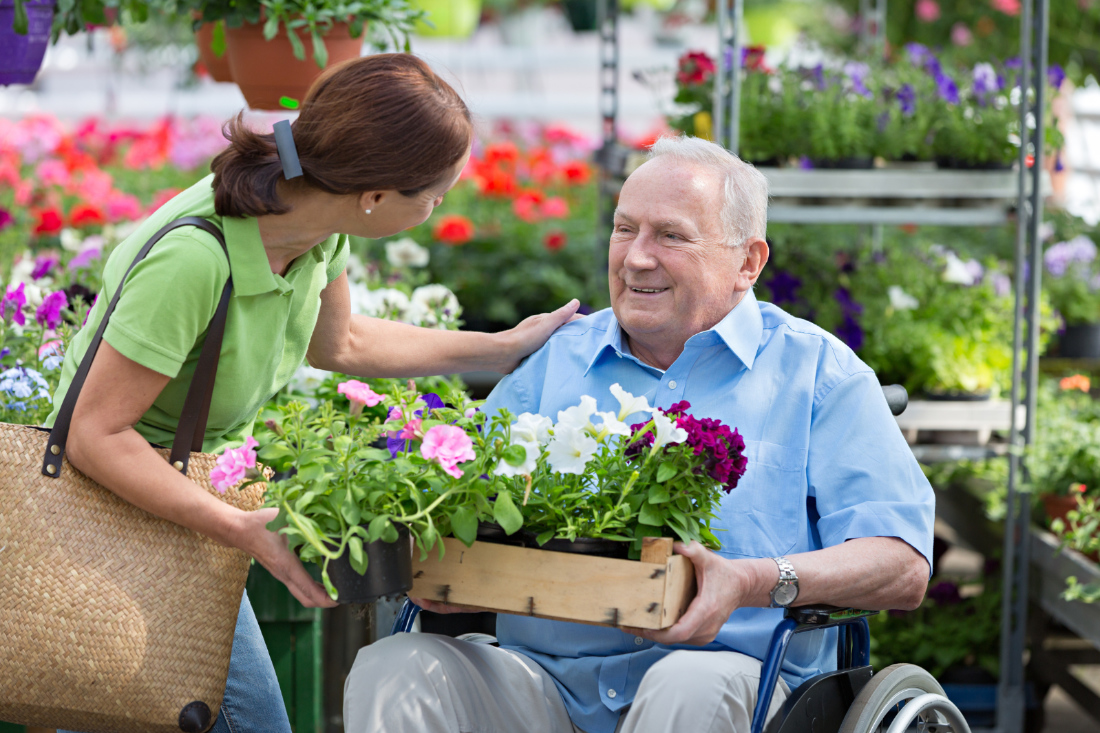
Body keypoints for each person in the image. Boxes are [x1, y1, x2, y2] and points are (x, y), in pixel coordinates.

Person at [48, 53, 579, 733]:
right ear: (376, 195)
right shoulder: (194, 260)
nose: (439, 206)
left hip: (186, 504)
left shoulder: (313, 225)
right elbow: (96, 434)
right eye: (434, 194)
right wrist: (241, 527)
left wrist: (500, 345)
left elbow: (343, 344)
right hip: (119, 514)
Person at [343, 135, 935, 733]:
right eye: (625, 230)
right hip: (545, 683)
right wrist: (454, 568)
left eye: (671, 236)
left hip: (735, 689)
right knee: (396, 664)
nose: (636, 258)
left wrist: (754, 581)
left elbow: (902, 563)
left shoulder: (817, 375)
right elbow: (465, 505)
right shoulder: (554, 361)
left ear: (748, 263)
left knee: (687, 683)